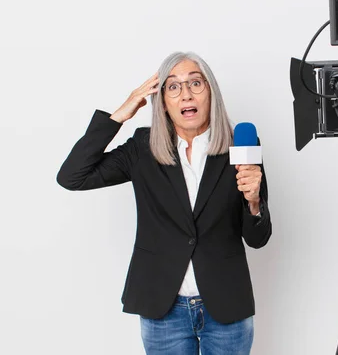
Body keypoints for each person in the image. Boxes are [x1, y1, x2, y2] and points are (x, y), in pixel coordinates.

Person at [57, 51, 272, 355]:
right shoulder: (142, 148)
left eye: (196, 83)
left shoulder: (241, 145)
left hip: (226, 306)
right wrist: (120, 114)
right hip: (163, 309)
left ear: (211, 92)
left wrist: (253, 202)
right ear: (162, 101)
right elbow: (72, 177)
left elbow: (258, 239)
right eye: (173, 86)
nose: (186, 94)